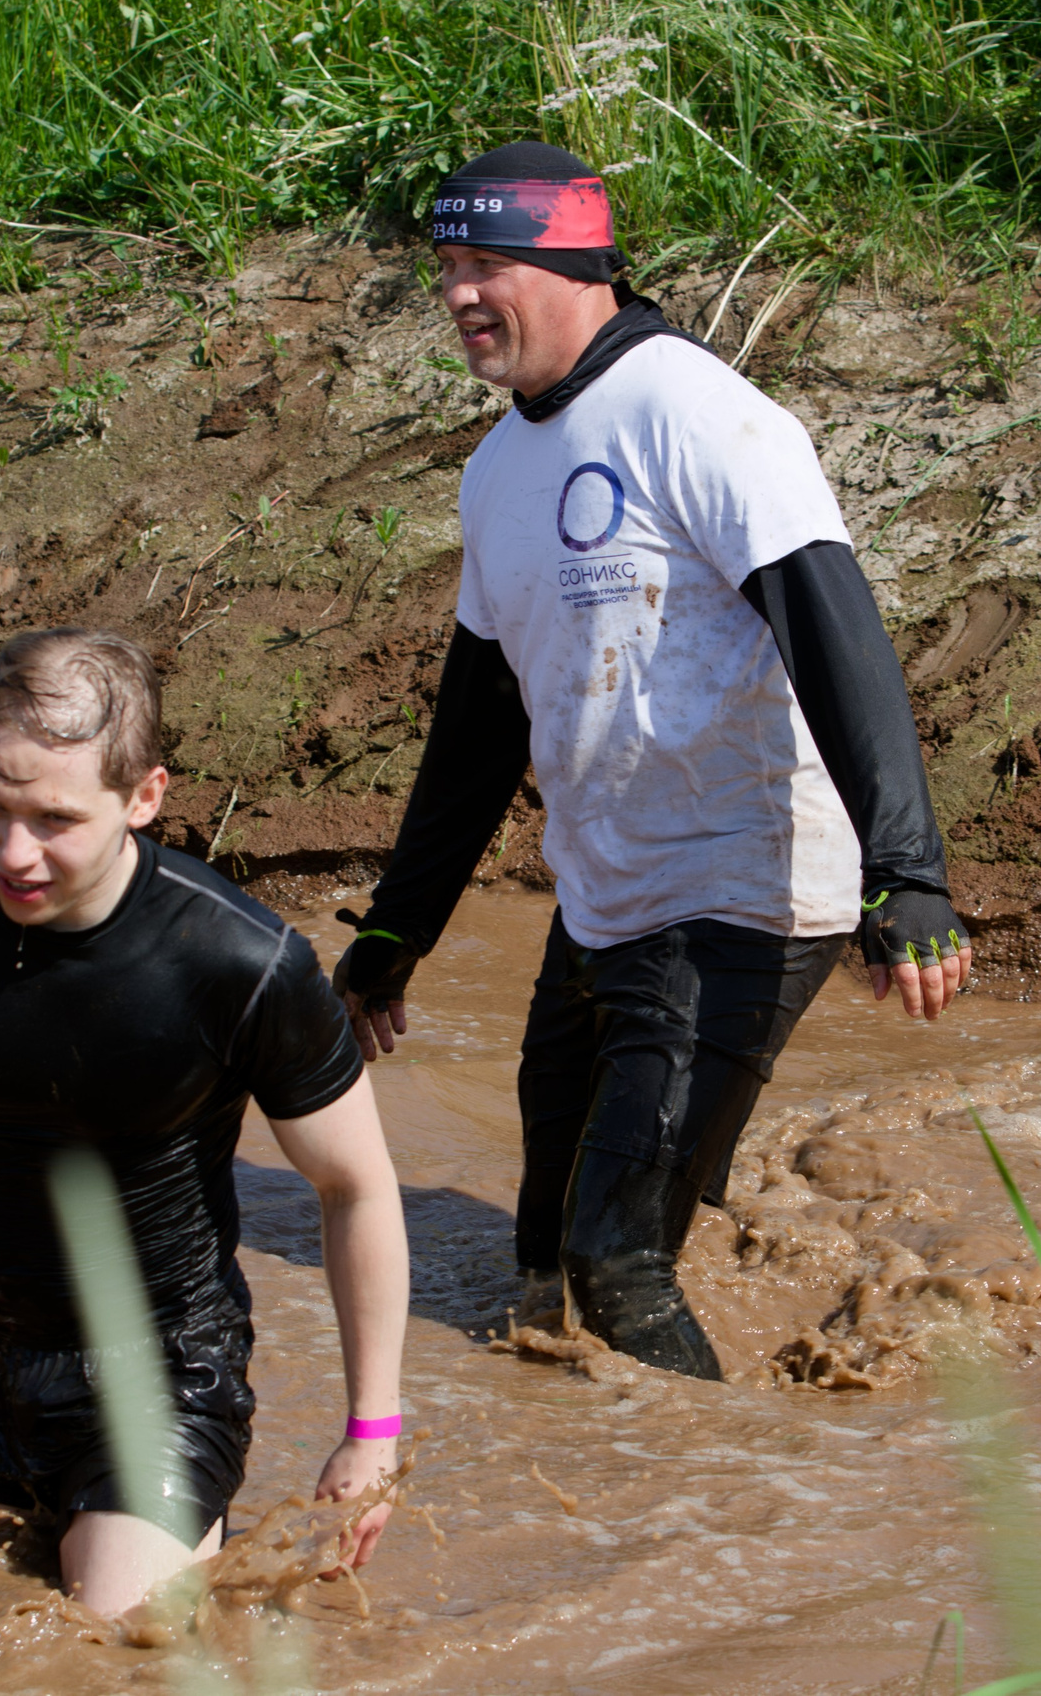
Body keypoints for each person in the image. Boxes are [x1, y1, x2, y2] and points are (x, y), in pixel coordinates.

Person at [330, 140, 971, 1379]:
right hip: (605, 896)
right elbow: (474, 727)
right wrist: (394, 934)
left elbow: (837, 638)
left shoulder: (702, 415)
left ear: (575, 264)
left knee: (614, 1267)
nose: (458, 294)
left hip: (741, 891)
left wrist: (909, 873)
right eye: (444, 267)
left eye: (486, 263)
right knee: (535, 1262)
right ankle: (609, 1503)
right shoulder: (496, 470)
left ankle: (735, 1526)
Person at [0, 628, 410, 1620]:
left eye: (53, 818)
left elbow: (355, 1187)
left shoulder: (243, 965)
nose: (12, 850)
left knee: (122, 1641)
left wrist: (371, 1430)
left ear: (144, 798)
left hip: (161, 1366)